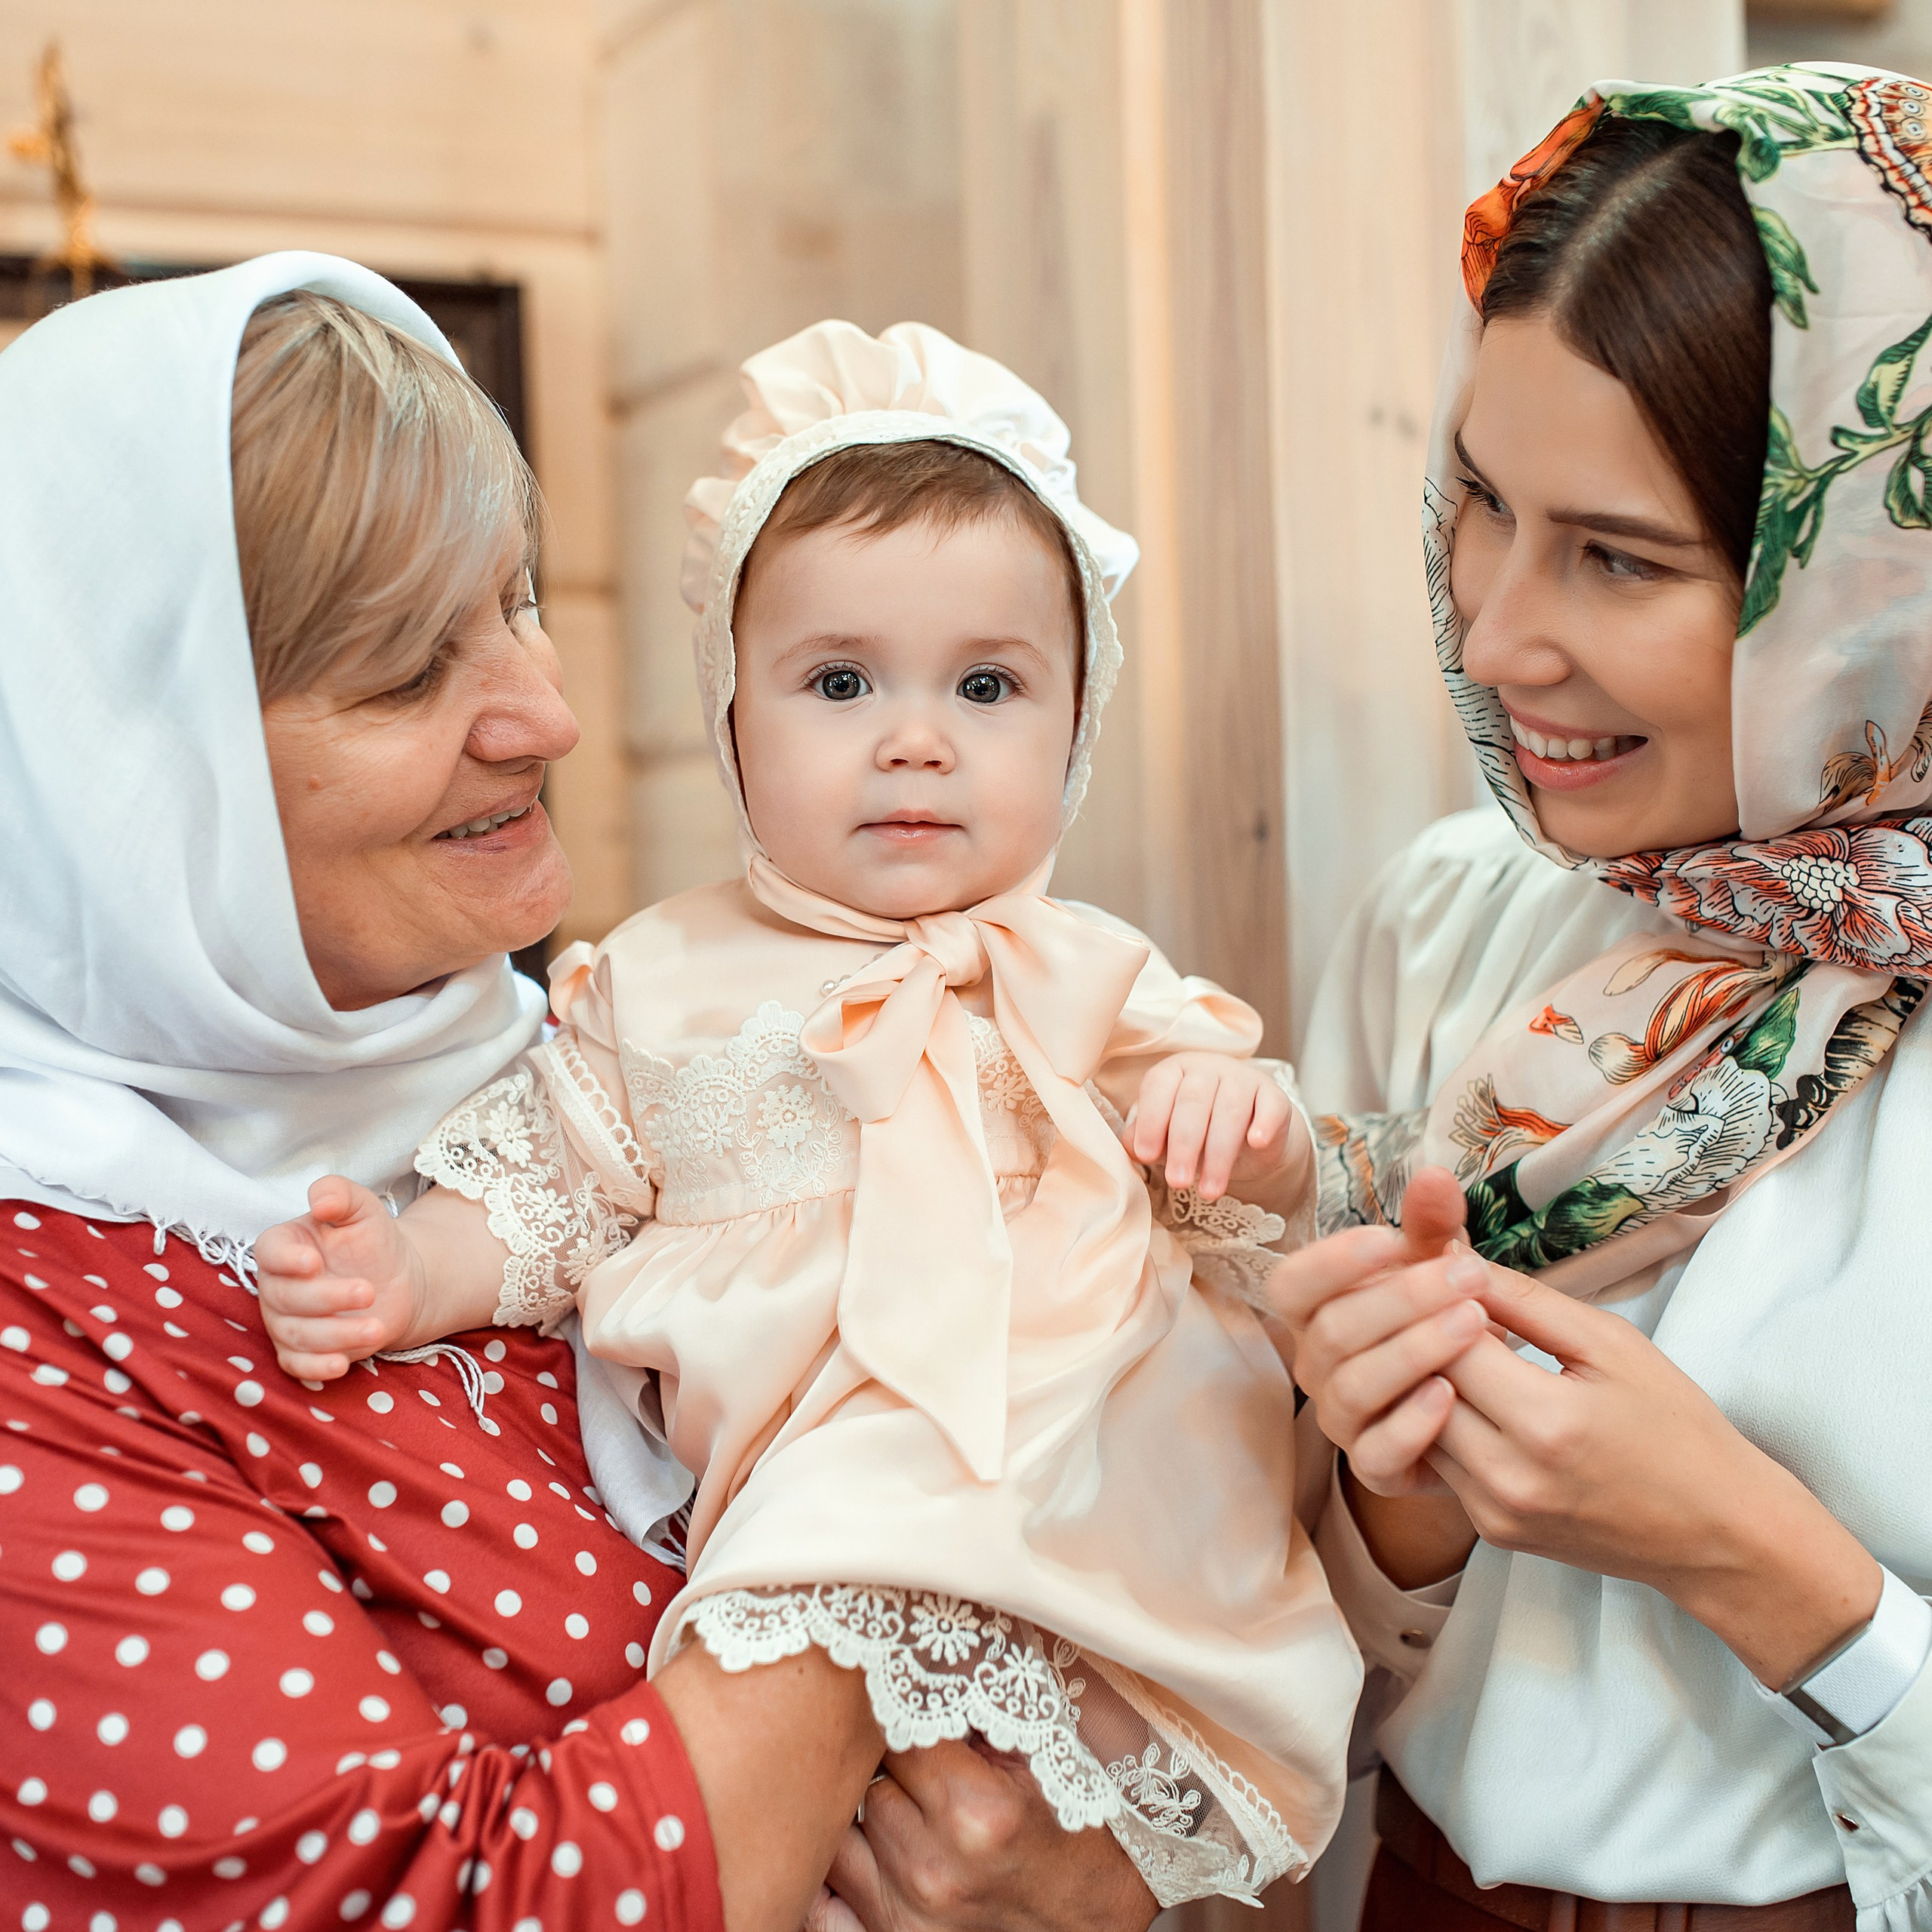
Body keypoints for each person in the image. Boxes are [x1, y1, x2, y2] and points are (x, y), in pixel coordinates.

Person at [0, 254, 1164, 1932]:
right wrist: (909, 1516)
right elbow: (465, 1905)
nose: (544, 712)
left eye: (522, 595)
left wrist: (1094, 1849)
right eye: (410, 669)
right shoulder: (48, 1340)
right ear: (135, 778)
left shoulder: (610, 1057)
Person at [251, 318, 1364, 1911]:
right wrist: (406, 1274)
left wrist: (1235, 1121)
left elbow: (1255, 1202)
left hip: (1109, 1520)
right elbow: (554, 1189)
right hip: (831, 1521)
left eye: (987, 685)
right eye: (839, 680)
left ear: (1074, 725)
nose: (915, 737)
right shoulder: (656, 979)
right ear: (731, 717)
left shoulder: (1100, 975)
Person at [1271, 63, 1932, 1932]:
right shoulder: (1453, 921)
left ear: (1873, 582)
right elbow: (1299, 1657)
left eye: (1618, 558)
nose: (1491, 635)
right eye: (1480, 503)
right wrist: (1391, 1502)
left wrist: (1755, 1559)